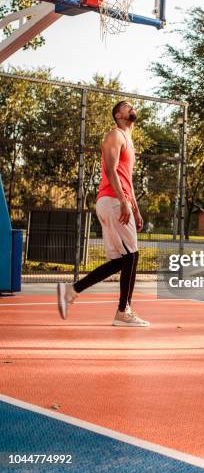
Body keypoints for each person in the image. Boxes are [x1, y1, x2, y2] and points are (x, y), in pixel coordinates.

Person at [57, 100, 150, 327]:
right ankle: (123, 311)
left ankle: (71, 290)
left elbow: (127, 180)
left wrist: (135, 209)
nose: (131, 107)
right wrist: (122, 201)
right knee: (132, 256)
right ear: (118, 115)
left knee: (121, 261)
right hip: (112, 200)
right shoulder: (115, 135)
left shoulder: (129, 140)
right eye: (127, 106)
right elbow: (110, 169)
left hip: (118, 201)